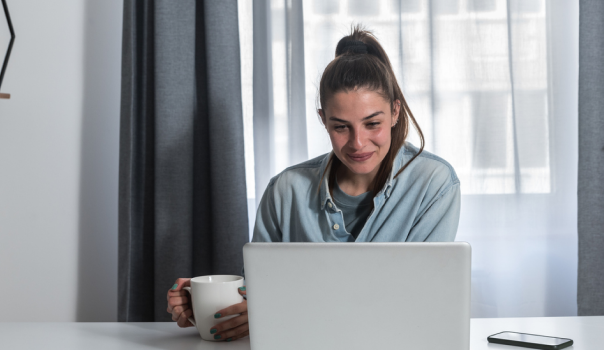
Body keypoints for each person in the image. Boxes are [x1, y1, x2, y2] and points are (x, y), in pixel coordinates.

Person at [167, 25, 461, 342]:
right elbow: (257, 296)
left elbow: (418, 301)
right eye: (341, 127)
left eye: (372, 123)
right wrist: (203, 307)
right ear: (323, 120)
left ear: (394, 112)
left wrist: (278, 310)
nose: (358, 143)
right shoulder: (285, 190)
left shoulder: (434, 184)